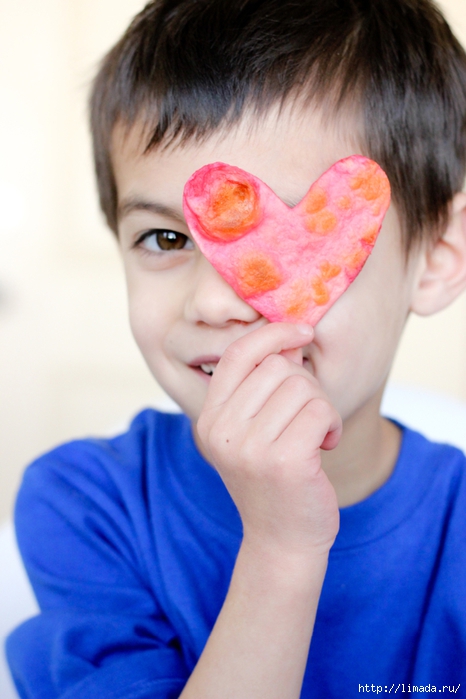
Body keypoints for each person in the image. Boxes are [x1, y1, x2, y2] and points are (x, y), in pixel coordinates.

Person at [6, 0, 466, 697]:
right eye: (165, 239)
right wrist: (281, 550)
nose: (214, 300)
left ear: (435, 256)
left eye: (293, 242)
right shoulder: (85, 505)